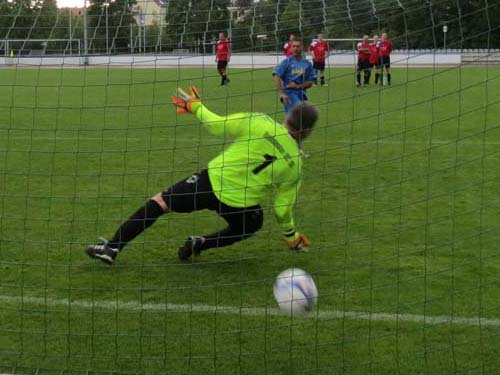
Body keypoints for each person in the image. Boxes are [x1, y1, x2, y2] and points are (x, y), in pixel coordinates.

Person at [85, 86, 318, 265]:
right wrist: (291, 237)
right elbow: (282, 209)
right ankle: (201, 244)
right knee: (251, 225)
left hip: (210, 183)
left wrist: (195, 106)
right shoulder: (296, 165)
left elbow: (217, 125)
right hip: (240, 205)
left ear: (287, 116)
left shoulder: (259, 122)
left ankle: (113, 248)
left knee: (160, 202)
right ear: (307, 132)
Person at [273, 38, 316, 114]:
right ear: (291, 48)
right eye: (294, 46)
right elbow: (275, 74)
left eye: (298, 46)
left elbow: (310, 82)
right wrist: (282, 93)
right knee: (296, 118)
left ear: (302, 47)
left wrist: (298, 86)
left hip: (302, 94)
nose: (295, 48)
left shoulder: (307, 63)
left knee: (299, 119)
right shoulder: (287, 62)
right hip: (289, 94)